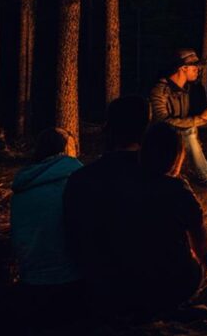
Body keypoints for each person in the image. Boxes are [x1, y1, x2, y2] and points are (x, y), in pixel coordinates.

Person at [62, 95, 149, 317]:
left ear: (108, 128)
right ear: (145, 129)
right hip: (146, 288)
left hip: (98, 289)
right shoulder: (159, 179)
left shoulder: (80, 179)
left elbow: (72, 237)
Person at [133, 122, 207, 318]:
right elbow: (200, 238)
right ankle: (177, 303)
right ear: (175, 155)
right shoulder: (177, 189)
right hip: (173, 281)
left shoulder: (127, 184)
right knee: (206, 257)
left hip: (130, 279)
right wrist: (203, 258)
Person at [10, 128, 84, 320]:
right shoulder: (76, 181)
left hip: (31, 281)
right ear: (67, 150)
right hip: (70, 281)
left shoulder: (23, 186)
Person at [150, 48, 207, 186]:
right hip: (170, 136)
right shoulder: (161, 90)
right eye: (194, 66)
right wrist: (199, 119)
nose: (198, 69)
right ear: (183, 68)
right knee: (189, 130)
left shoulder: (192, 88)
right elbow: (163, 122)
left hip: (192, 130)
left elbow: (204, 109)